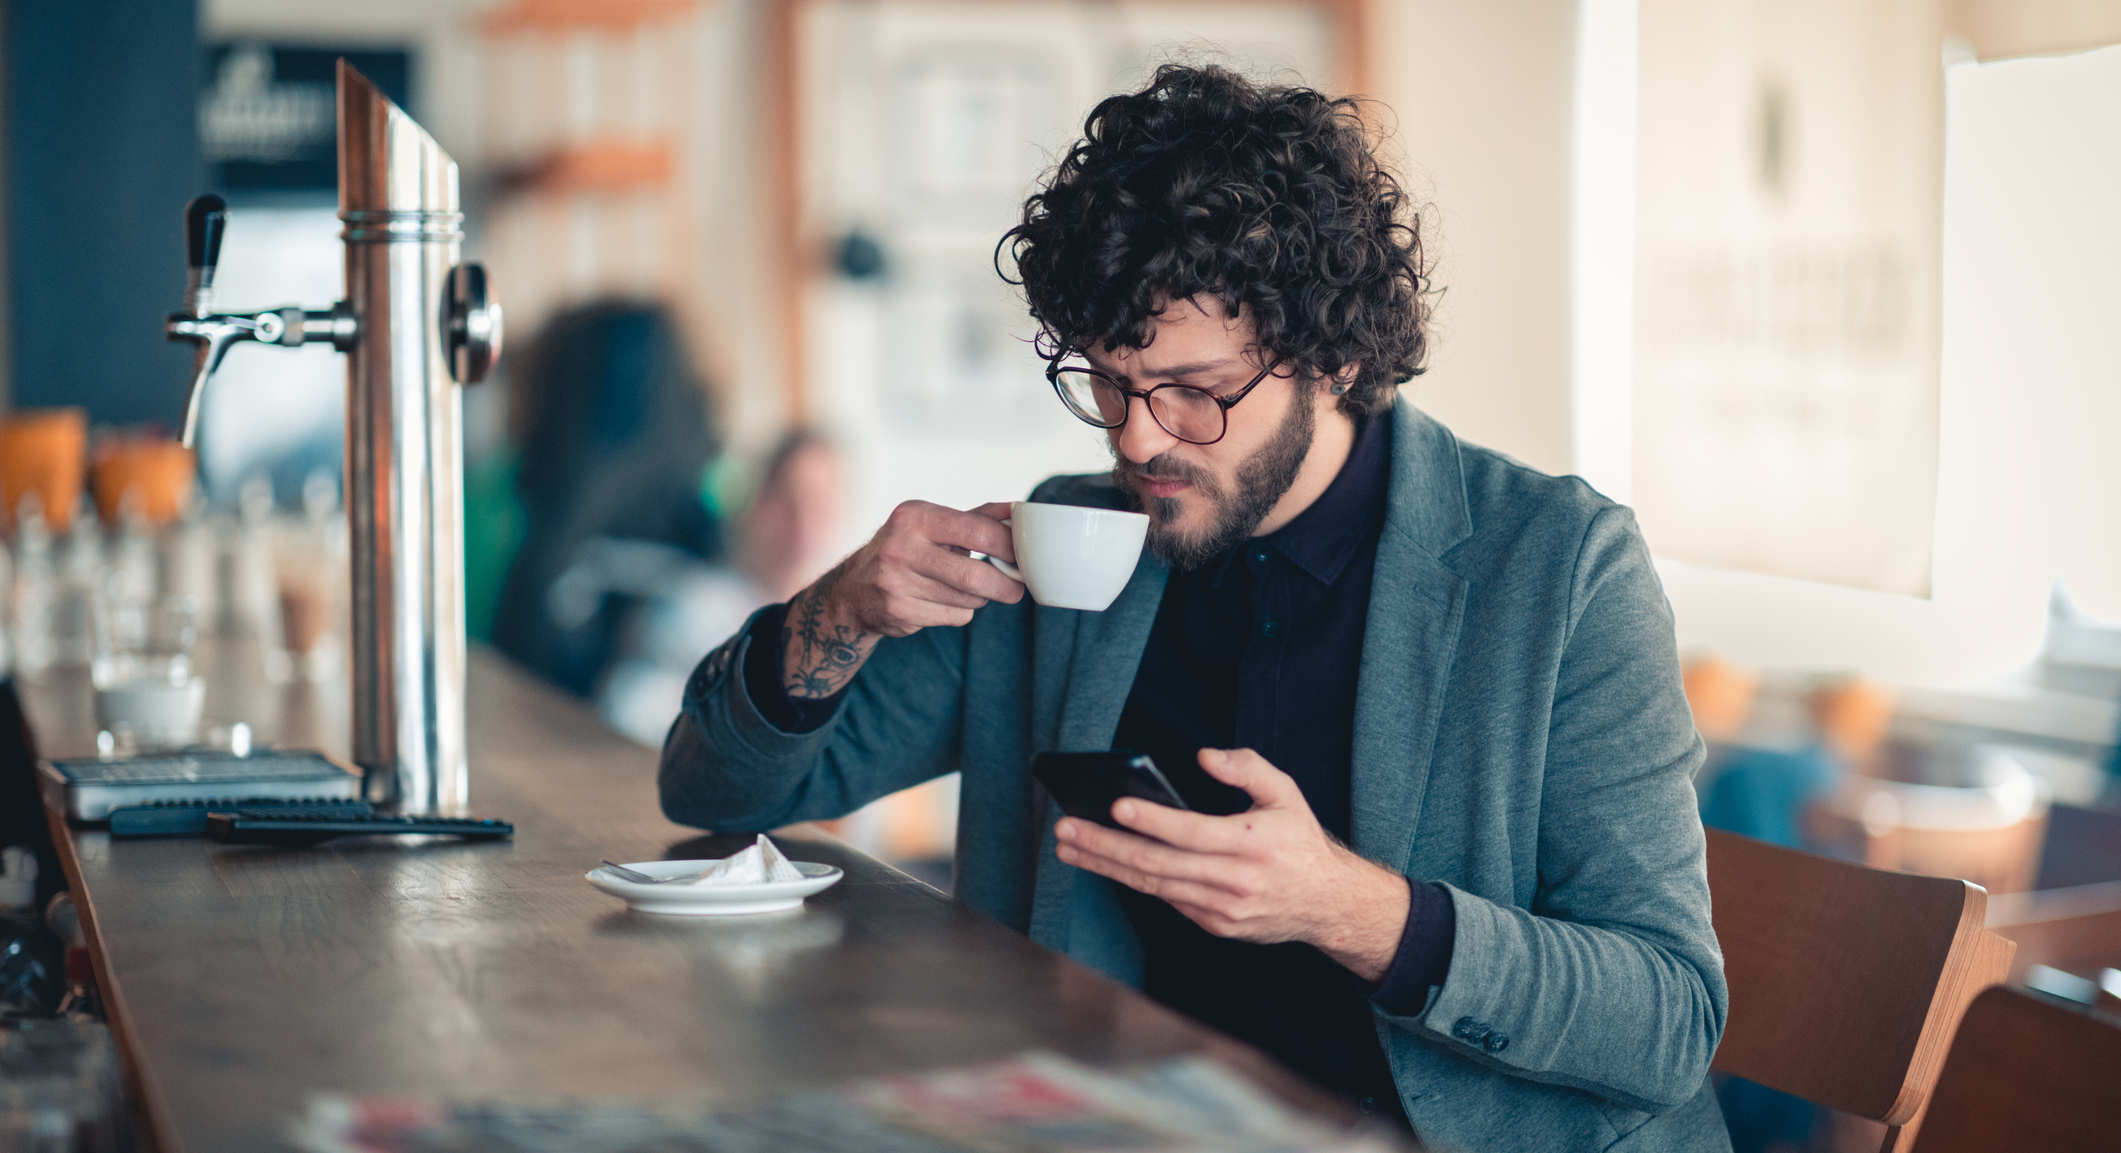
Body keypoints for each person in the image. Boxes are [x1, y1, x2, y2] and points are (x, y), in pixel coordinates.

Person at [661, 65, 1727, 1152]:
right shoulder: (1069, 551)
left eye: (1195, 390)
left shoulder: (1558, 569)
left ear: (1337, 352)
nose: (1136, 439)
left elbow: (1669, 1018)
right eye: (1109, 383)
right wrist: (838, 612)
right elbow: (711, 786)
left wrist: (1348, 909)